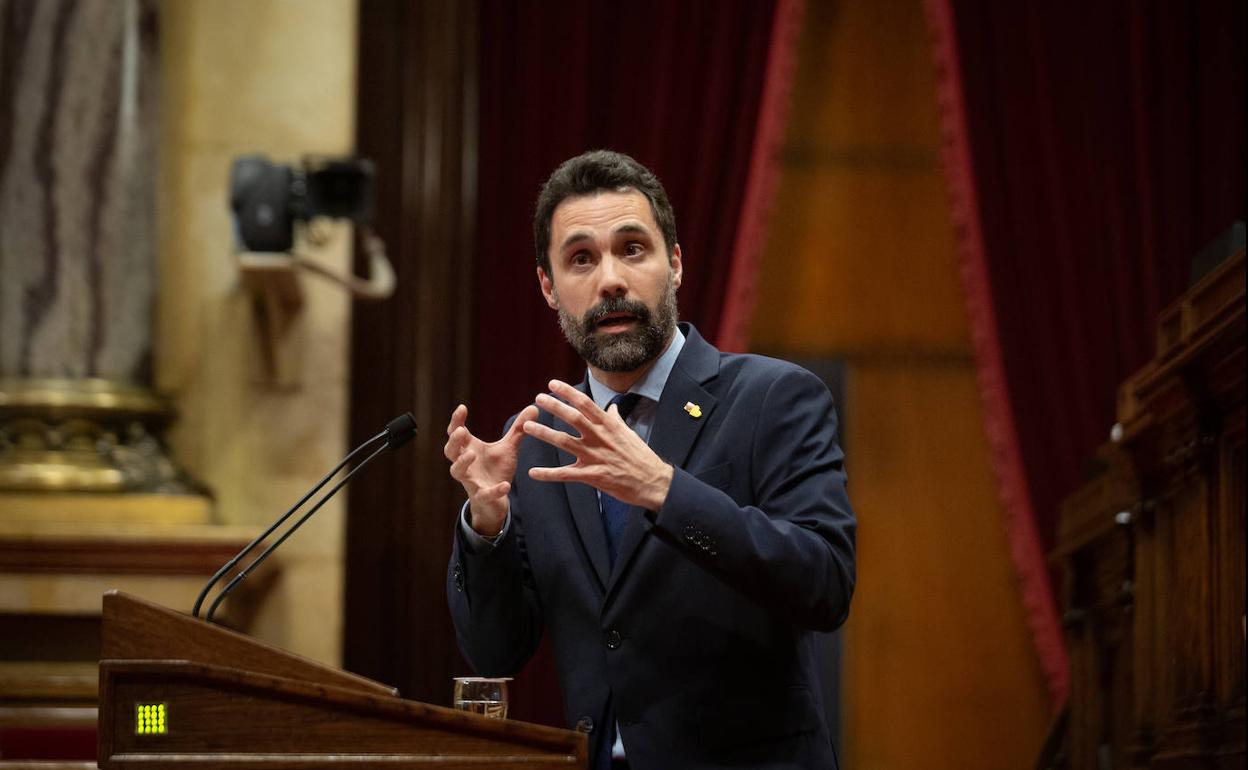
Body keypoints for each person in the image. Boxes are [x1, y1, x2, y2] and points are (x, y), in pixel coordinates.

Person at [445, 150, 855, 769]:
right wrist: (487, 526)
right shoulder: (537, 440)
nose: (610, 279)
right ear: (548, 287)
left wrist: (665, 488)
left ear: (676, 264)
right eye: (581, 258)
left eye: (633, 249)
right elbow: (495, 653)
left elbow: (824, 584)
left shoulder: (773, 398)